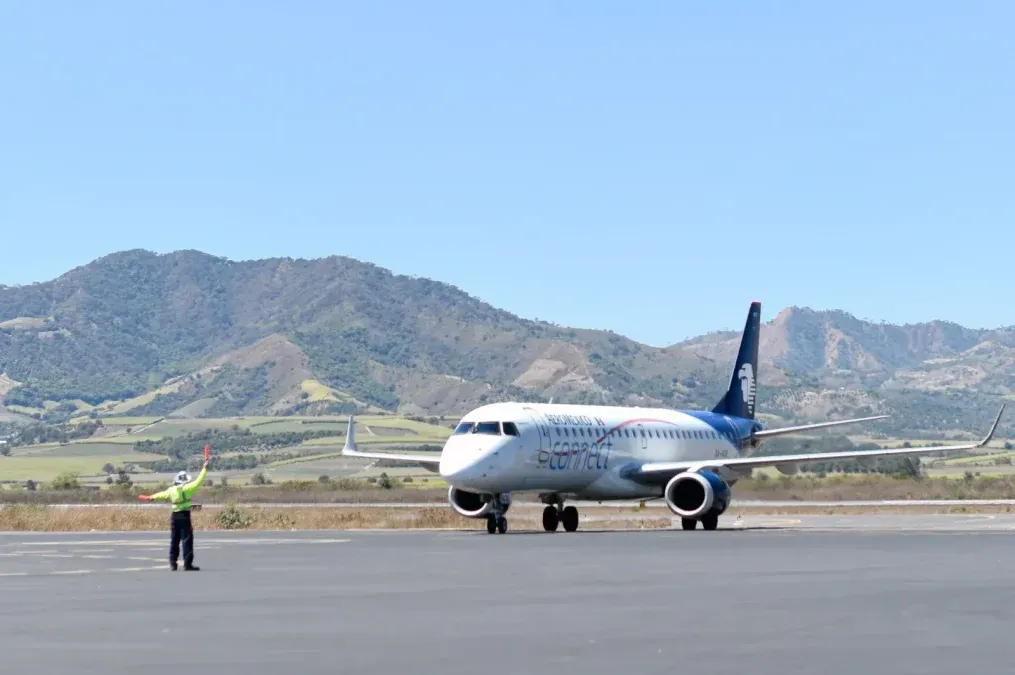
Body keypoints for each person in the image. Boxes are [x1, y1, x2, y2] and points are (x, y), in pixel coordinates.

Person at [138, 456, 209, 571]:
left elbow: (161, 494)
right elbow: (199, 481)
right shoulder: (188, 488)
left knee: (174, 540)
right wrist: (204, 468)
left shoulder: (171, 490)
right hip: (185, 516)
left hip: (175, 516)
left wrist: (150, 497)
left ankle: (173, 563)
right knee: (187, 540)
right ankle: (187, 564)